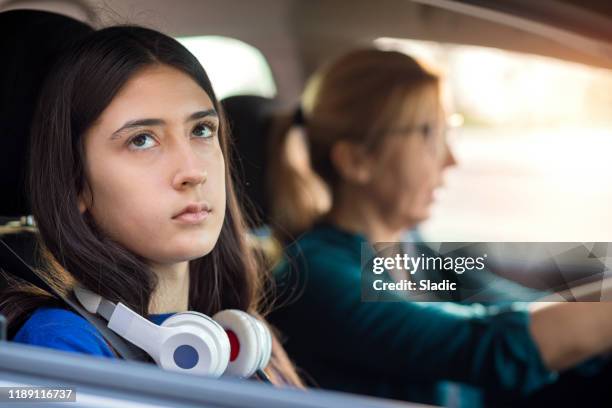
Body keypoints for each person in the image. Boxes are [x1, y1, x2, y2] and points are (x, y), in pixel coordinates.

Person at [266, 49, 612, 404]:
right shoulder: (315, 276)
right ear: (356, 160)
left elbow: (519, 311)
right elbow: (486, 347)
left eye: (450, 132)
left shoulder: (413, 252)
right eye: (429, 134)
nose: (451, 159)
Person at [0, 25, 301, 386]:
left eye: (202, 130)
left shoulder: (233, 342)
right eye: (142, 140)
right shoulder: (61, 344)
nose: (192, 172)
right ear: (77, 184)